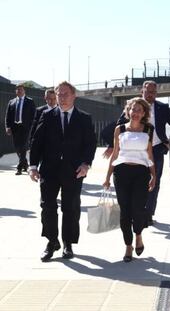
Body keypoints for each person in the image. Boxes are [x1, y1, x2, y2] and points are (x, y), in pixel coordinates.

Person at [29, 81, 97, 262]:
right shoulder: (47, 115)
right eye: (59, 94)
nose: (62, 97)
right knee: (47, 206)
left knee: (71, 208)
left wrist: (86, 164)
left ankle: (68, 243)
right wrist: (33, 166)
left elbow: (90, 144)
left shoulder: (84, 118)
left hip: (73, 171)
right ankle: (52, 242)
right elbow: (37, 141)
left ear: (74, 96)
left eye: (66, 94)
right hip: (49, 170)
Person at [101, 81, 170, 224]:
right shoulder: (132, 108)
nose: (150, 94)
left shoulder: (163, 108)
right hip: (133, 153)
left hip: (156, 148)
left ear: (156, 93)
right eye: (147, 91)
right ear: (142, 92)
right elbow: (119, 128)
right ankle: (137, 210)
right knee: (137, 184)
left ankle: (148, 213)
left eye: (153, 92)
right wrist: (111, 145)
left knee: (154, 182)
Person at [103, 98, 156, 262]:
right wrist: (107, 177)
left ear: (144, 113)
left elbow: (149, 154)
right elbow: (115, 153)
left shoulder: (148, 129)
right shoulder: (119, 129)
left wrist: (154, 175)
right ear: (128, 111)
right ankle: (128, 246)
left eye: (140, 110)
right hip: (122, 172)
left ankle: (138, 234)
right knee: (125, 212)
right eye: (133, 109)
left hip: (141, 173)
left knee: (138, 209)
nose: (136, 113)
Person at [5, 83, 36, 175]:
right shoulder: (11, 102)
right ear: (16, 91)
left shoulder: (30, 101)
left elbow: (33, 115)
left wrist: (32, 126)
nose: (19, 91)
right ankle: (25, 164)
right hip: (15, 128)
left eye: (21, 89)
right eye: (17, 90)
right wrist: (7, 127)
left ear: (24, 91)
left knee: (23, 146)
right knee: (17, 147)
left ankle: (19, 168)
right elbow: (8, 116)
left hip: (25, 128)